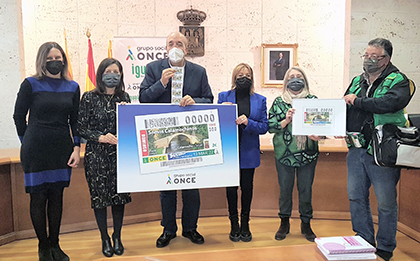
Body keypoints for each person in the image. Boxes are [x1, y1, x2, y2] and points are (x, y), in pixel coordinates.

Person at [139, 32, 213, 248]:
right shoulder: (153, 69)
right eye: (171, 43)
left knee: (191, 186)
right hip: (164, 137)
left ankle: (191, 228)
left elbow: (209, 98)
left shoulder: (199, 72)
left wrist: (195, 100)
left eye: (179, 43)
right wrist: (161, 83)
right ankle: (168, 229)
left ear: (186, 49)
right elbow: (143, 98)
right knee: (167, 187)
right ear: (165, 48)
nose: (175, 46)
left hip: (189, 137)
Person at [343, 38, 413, 261]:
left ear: (387, 59)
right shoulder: (356, 81)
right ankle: (363, 239)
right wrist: (332, 126)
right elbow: (344, 105)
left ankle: (385, 247)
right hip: (356, 149)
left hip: (383, 151)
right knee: (356, 197)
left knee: (386, 202)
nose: (369, 60)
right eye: (366, 56)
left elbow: (389, 103)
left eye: (375, 56)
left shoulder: (399, 80)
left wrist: (358, 102)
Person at [13, 42, 80, 261]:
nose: (55, 61)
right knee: (38, 197)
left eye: (58, 57)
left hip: (61, 147)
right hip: (36, 148)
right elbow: (18, 116)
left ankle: (55, 245)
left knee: (57, 196)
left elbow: (75, 121)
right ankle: (43, 246)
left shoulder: (72, 87)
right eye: (50, 58)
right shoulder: (30, 84)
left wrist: (76, 147)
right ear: (43, 60)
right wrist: (27, 139)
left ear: (64, 60)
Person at [78, 58, 132, 258]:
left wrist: (127, 113)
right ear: (100, 74)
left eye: (116, 71)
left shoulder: (124, 96)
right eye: (108, 71)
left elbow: (130, 126)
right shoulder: (89, 97)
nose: (112, 75)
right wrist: (100, 137)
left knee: (119, 198)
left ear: (120, 75)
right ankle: (104, 238)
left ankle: (117, 236)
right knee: (100, 199)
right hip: (96, 156)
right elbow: (81, 127)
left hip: (119, 155)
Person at [268, 66, 321, 242]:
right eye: (291, 77)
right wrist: (286, 119)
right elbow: (270, 126)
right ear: (286, 81)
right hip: (284, 154)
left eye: (299, 76)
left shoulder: (313, 101)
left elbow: (323, 126)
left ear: (304, 80)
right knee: (285, 190)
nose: (295, 79)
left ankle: (306, 223)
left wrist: (319, 135)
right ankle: (284, 222)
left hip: (308, 153)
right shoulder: (279, 102)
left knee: (306, 190)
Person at [218, 63, 268, 242]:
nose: (243, 77)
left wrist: (249, 122)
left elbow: (264, 127)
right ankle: (233, 224)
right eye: (240, 74)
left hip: (249, 151)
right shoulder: (223, 96)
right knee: (231, 189)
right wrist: (222, 111)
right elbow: (215, 124)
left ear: (252, 78)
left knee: (247, 189)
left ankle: (245, 223)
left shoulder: (260, 99)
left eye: (247, 74)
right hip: (229, 151)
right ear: (234, 77)